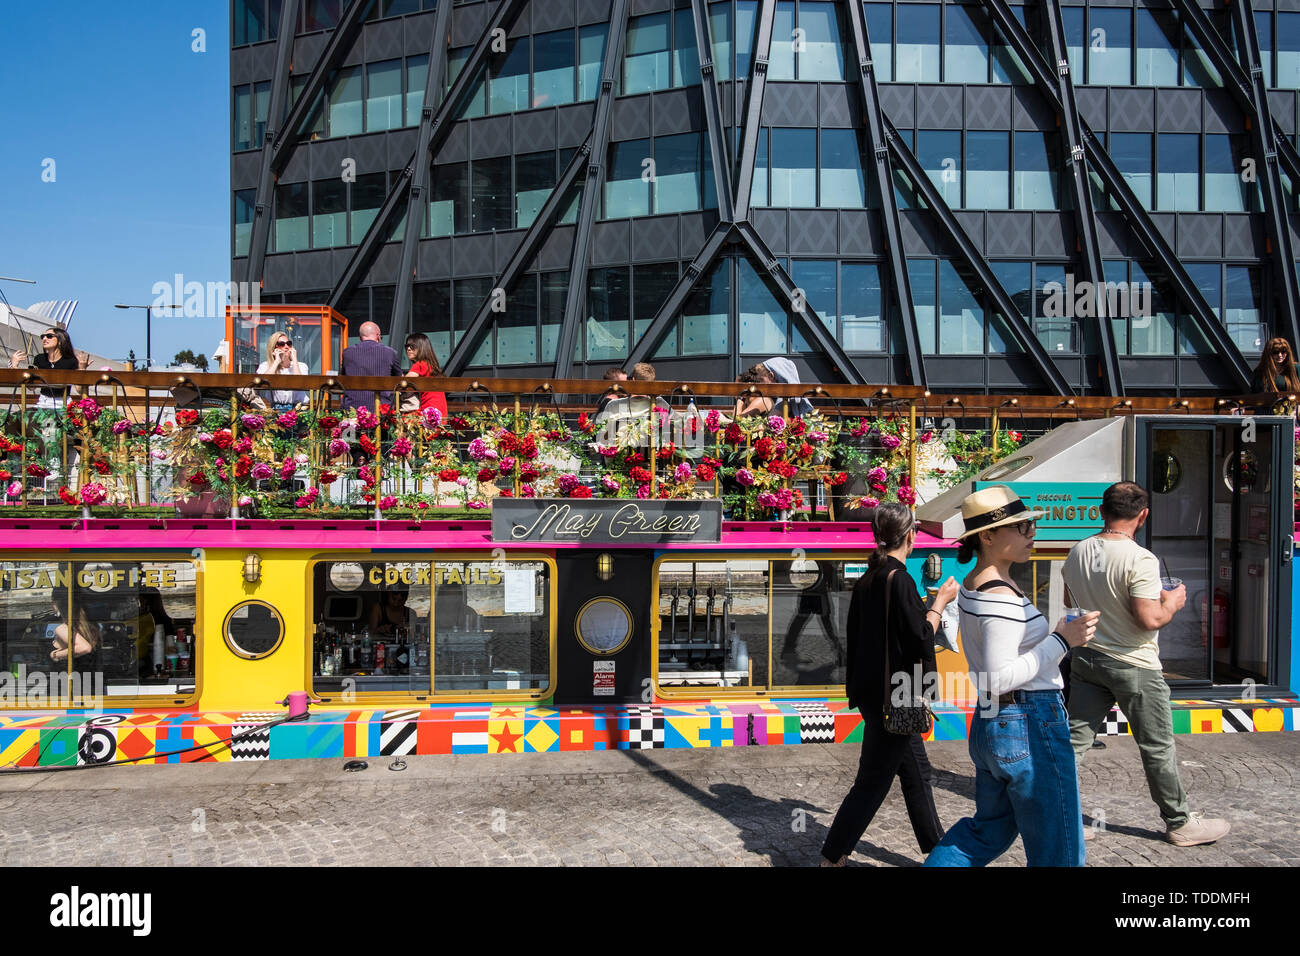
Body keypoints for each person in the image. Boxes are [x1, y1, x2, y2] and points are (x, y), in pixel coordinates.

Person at [925, 486, 1098, 868]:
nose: (1031, 533)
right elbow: (999, 677)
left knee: (988, 830)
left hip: (994, 721)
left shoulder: (975, 583)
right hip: (1028, 719)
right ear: (986, 536)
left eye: (1030, 525)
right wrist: (1061, 640)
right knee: (1059, 844)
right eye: (1020, 527)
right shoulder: (1000, 596)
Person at [1062, 481, 1231, 847]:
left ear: (1101, 511)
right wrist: (1173, 602)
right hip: (1134, 664)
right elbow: (1148, 619)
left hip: (1088, 657)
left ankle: (1057, 816)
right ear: (1143, 515)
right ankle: (1180, 823)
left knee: (1074, 742)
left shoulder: (1078, 551)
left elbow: (1069, 601)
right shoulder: (1140, 559)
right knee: (1156, 746)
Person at [821, 503, 959, 865]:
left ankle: (936, 850)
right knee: (873, 782)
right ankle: (832, 856)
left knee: (917, 772)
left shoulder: (871, 577)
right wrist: (940, 602)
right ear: (910, 535)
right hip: (895, 696)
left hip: (879, 694)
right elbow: (921, 636)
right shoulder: (898, 579)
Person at [9, 327, 89, 405]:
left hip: (63, 403)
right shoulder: (39, 359)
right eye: (42, 336)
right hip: (43, 402)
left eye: (49, 336)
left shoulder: (71, 361)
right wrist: (15, 366)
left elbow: (79, 390)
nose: (44, 339)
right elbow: (32, 387)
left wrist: (82, 368)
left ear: (61, 340)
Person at [339, 321, 402, 414]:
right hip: (380, 410)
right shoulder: (389, 352)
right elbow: (399, 378)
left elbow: (342, 377)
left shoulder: (347, 353)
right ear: (378, 335)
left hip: (352, 408)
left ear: (360, 337)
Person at [255, 332, 308, 407]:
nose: (286, 347)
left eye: (289, 343)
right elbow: (263, 381)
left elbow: (299, 383)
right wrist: (276, 361)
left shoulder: (301, 366)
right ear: (274, 348)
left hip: (298, 407)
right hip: (276, 408)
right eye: (281, 344)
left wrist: (294, 359)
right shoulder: (266, 366)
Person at [402, 333, 449, 418]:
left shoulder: (419, 365)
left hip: (429, 409)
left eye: (412, 346)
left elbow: (404, 383)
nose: (408, 349)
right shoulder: (431, 365)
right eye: (407, 346)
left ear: (421, 347)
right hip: (440, 409)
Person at [49, 588, 100, 663]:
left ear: (57, 604)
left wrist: (55, 655)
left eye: (52, 600)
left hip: (68, 673)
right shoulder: (90, 626)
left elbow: (85, 648)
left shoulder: (62, 628)